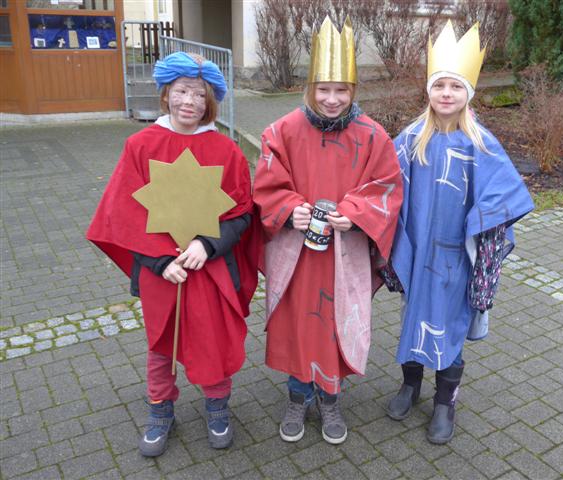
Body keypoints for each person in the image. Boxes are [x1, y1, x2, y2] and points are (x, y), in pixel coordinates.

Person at [86, 52, 258, 456]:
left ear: (209, 101)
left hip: (208, 267)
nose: (189, 102)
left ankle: (217, 405)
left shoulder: (227, 151)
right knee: (161, 343)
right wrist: (160, 261)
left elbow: (241, 213)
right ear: (166, 94)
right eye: (181, 91)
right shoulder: (140, 145)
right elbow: (123, 213)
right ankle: (160, 408)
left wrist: (206, 244)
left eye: (199, 94)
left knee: (212, 337)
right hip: (161, 270)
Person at [252, 17, 402, 445]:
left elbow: (388, 186)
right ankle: (298, 397)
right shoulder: (282, 131)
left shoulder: (372, 135)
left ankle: (331, 399)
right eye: (323, 89)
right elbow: (266, 184)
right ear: (310, 88)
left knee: (335, 326)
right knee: (298, 326)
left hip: (344, 254)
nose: (332, 99)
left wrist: (354, 212)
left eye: (341, 90)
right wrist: (289, 209)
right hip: (298, 256)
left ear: (353, 90)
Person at [384, 21, 534, 444]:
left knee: (449, 326)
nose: (446, 93)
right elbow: (384, 187)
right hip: (417, 252)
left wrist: (484, 262)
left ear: (468, 92)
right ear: (428, 91)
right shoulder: (411, 139)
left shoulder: (481, 145)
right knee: (414, 318)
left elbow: (500, 202)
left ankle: (444, 402)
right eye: (439, 85)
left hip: (456, 258)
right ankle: (410, 385)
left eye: (455, 86)